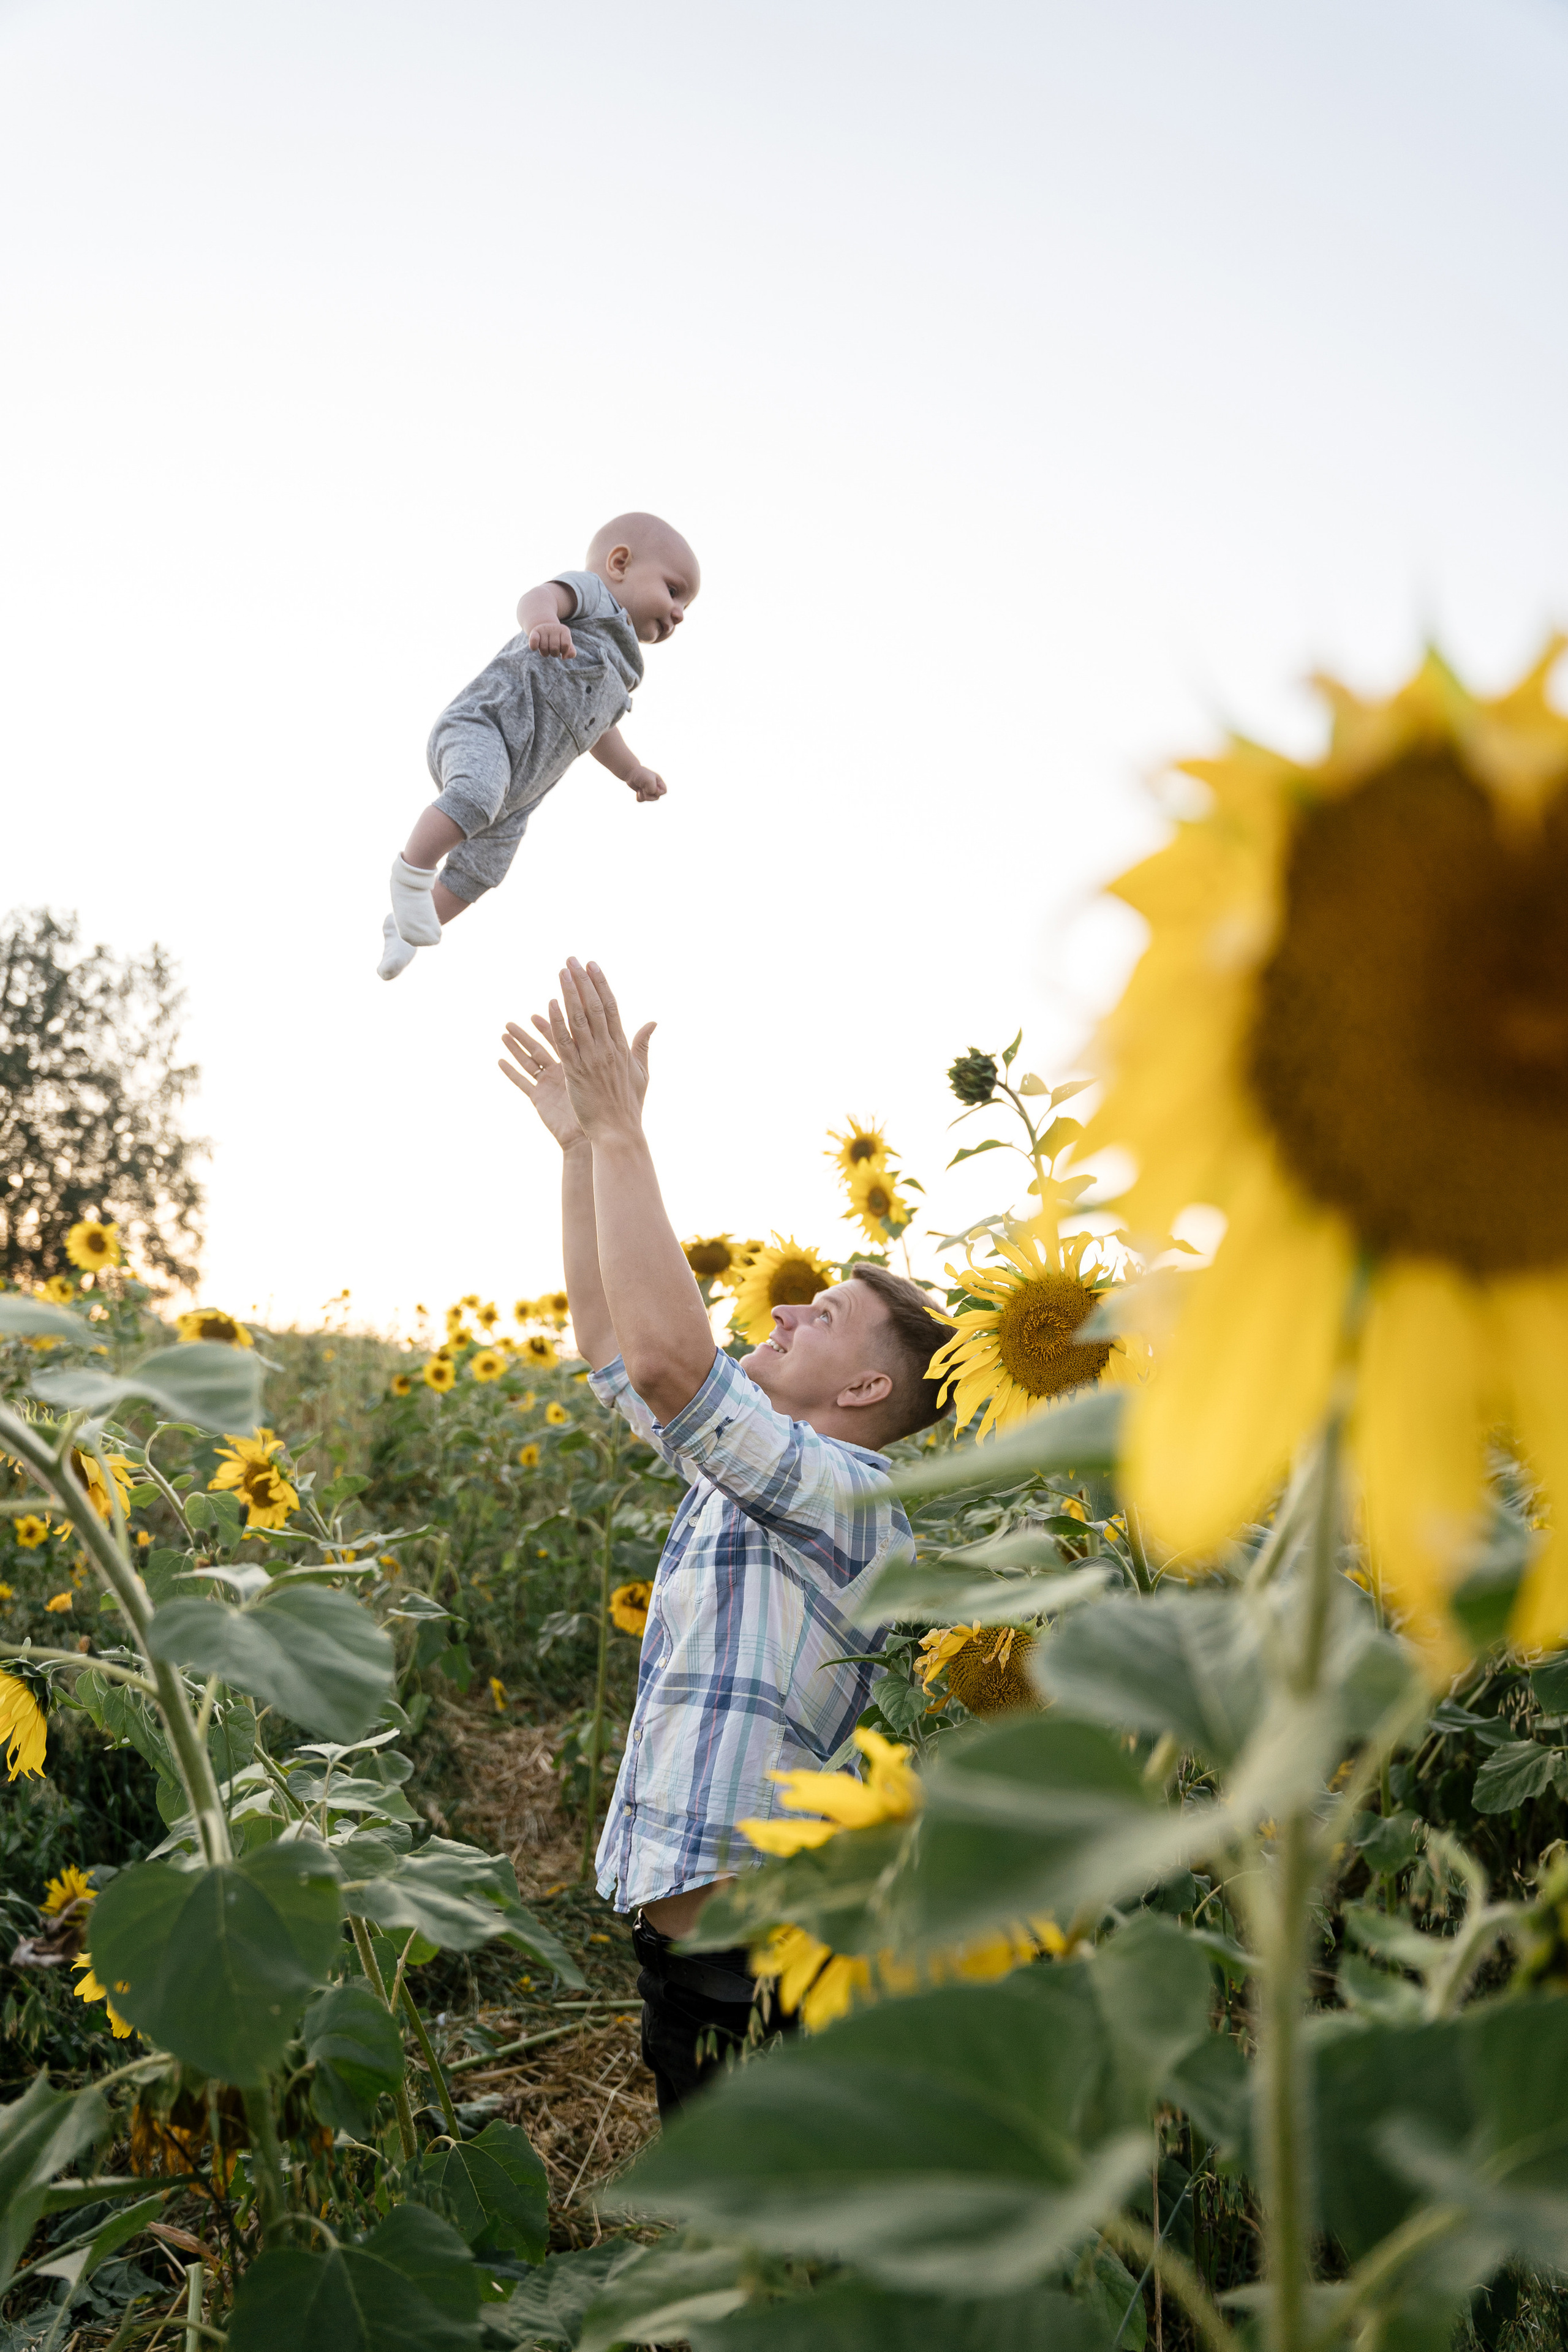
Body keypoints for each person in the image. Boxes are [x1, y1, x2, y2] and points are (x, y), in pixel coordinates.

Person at [499, 960, 953, 2116]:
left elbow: (666, 1360)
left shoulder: (848, 1499)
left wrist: (623, 1132)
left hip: (759, 1977)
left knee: (775, 2266)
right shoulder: (748, 1474)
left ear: (863, 1384)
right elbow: (614, 1342)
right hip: (694, 1967)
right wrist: (576, 1151)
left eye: (828, 1315)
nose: (787, 1305)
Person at [380, 515, 699, 979]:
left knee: (482, 872)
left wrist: (633, 772)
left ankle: (406, 930)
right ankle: (411, 875)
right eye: (674, 591)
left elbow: (599, 730)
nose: (679, 614)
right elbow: (537, 597)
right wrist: (545, 622)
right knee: (476, 794)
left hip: (522, 788)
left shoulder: (627, 669)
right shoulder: (593, 597)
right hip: (488, 726)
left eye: (686, 605)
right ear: (620, 563)